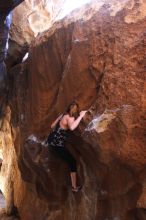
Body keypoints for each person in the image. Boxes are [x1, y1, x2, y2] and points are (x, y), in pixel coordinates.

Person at [47, 101, 87, 192]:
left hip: (51, 141)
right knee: (72, 162)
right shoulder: (70, 118)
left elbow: (52, 125)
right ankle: (74, 187)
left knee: (69, 159)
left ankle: (74, 186)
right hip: (58, 145)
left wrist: (59, 122)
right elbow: (72, 128)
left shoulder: (63, 115)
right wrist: (80, 116)